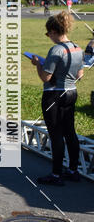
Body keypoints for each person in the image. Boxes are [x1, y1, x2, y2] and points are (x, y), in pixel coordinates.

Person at [31, 10, 84, 185]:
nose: (49, 37)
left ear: (54, 31)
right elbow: (80, 74)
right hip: (71, 92)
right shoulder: (77, 48)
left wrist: (39, 64)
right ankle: (73, 170)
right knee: (70, 132)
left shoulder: (56, 50)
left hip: (54, 94)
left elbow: (46, 77)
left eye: (48, 34)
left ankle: (56, 174)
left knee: (56, 134)